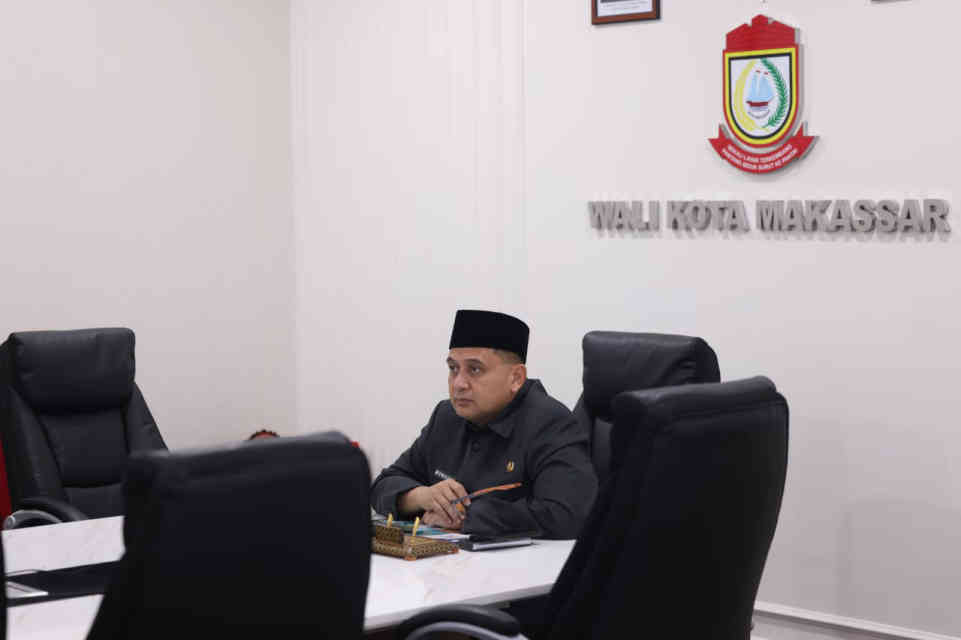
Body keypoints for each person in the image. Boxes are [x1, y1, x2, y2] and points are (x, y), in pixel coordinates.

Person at [370, 310, 597, 539]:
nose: (459, 384)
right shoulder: (446, 416)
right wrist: (420, 496)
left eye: (475, 369)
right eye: (453, 368)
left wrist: (466, 516)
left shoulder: (550, 423)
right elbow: (383, 484)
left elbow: (568, 514)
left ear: (516, 378)